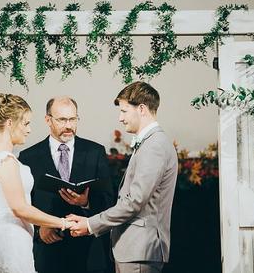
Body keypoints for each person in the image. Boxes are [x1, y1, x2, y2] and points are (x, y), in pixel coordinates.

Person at [68, 81, 178, 273]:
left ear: (142, 109)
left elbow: (134, 202)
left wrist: (90, 224)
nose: (120, 118)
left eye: (124, 111)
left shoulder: (154, 146)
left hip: (140, 249)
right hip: (135, 250)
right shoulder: (151, 143)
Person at [0, 93, 75, 273]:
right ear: (9, 123)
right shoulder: (6, 161)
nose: (29, 130)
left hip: (2, 233)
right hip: (12, 237)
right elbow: (20, 208)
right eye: (26, 123)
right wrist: (62, 223)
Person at [19, 96, 114, 273]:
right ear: (48, 120)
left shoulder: (95, 152)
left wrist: (86, 202)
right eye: (62, 119)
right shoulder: (28, 157)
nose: (69, 125)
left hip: (88, 252)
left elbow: (110, 201)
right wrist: (39, 230)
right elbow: (22, 205)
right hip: (47, 254)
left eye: (73, 119)